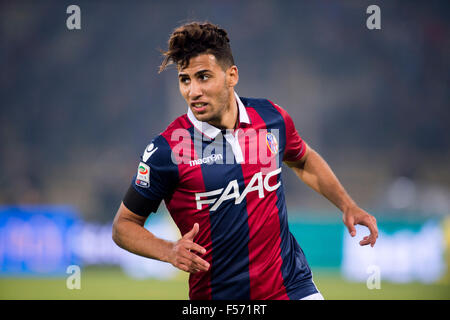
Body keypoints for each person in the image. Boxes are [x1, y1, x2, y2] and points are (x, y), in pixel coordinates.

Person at [112, 21, 378, 300]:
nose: (193, 91)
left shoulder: (271, 118)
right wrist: (168, 250)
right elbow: (124, 225)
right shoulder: (167, 149)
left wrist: (347, 205)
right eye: (185, 79)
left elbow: (303, 160)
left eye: (203, 77)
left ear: (231, 75)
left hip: (292, 287)